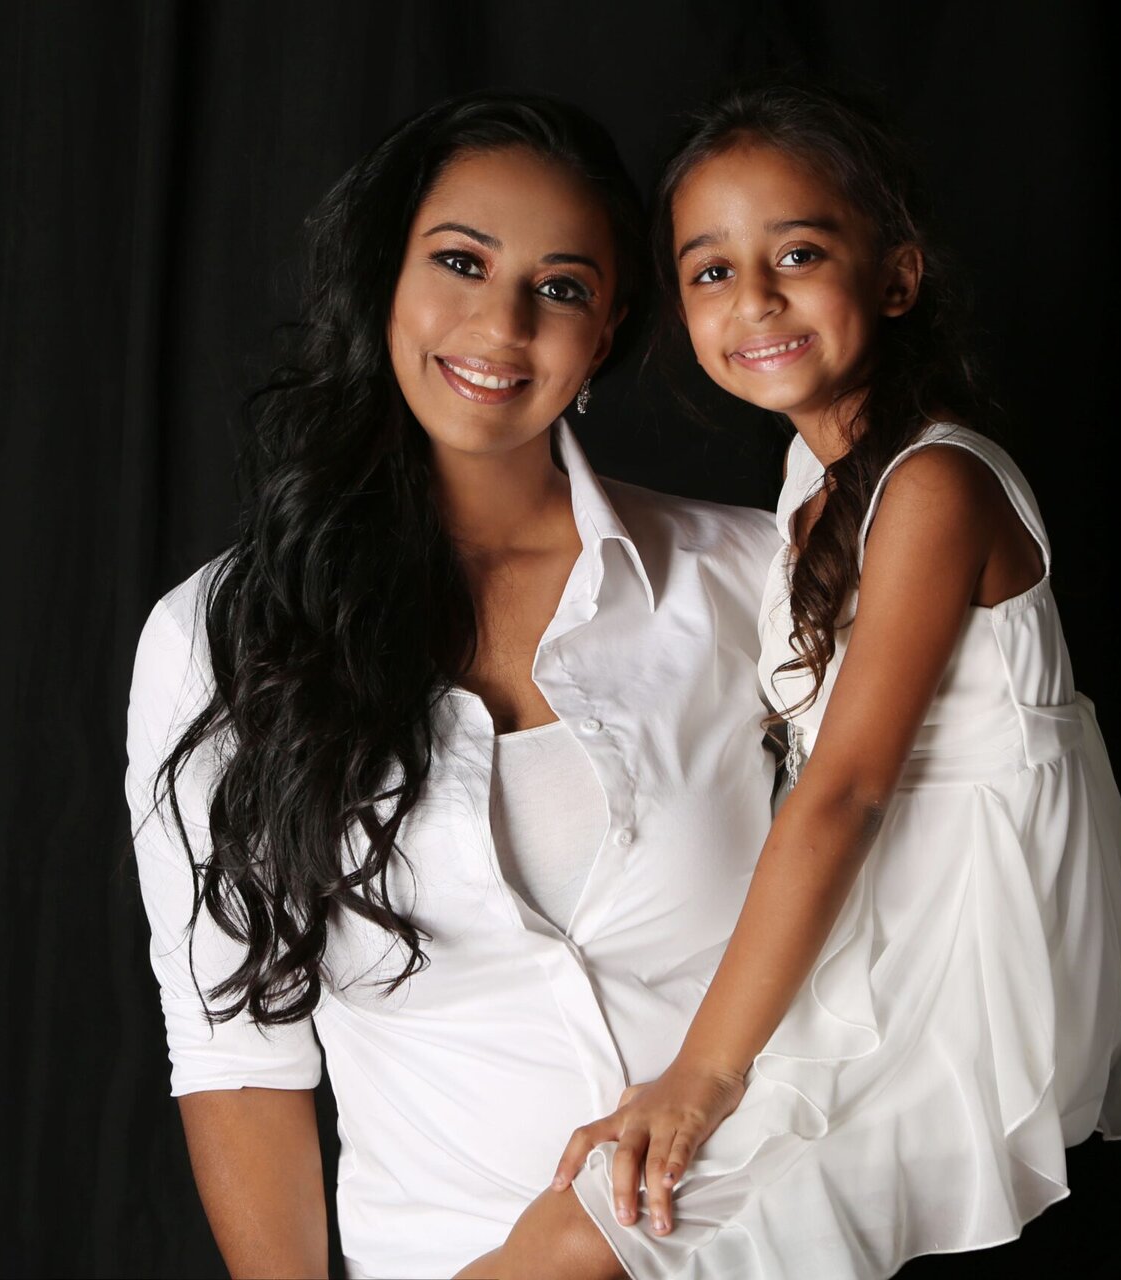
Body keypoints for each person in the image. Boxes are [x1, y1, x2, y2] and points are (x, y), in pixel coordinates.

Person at [123, 93, 777, 1279]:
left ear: (611, 326)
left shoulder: (752, 580)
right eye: (462, 262)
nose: (502, 322)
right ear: (385, 276)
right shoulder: (220, 636)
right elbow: (235, 1046)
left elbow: (884, 952)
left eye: (562, 286)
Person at [552, 81, 1121, 1278]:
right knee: (590, 1218)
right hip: (878, 930)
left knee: (616, 1223)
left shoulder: (933, 486)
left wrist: (702, 1073)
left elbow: (843, 792)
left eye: (796, 252)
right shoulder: (813, 478)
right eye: (711, 270)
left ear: (895, 276)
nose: (756, 299)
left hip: (950, 966)